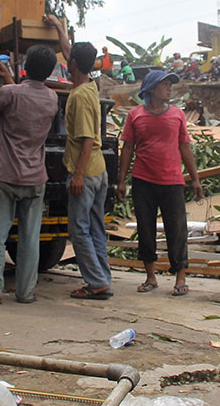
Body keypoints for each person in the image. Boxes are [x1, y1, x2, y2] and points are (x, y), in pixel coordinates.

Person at [0, 44, 59, 305]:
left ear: (25, 67)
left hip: (6, 176)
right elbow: (23, 93)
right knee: (30, 238)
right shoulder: (51, 99)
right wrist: (7, 77)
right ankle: (26, 292)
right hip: (36, 178)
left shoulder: (9, 93)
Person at [117, 70, 203, 296]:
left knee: (177, 230)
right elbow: (127, 148)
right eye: (165, 84)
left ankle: (180, 277)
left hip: (172, 181)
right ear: (151, 89)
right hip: (143, 181)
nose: (169, 88)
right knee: (146, 230)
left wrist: (195, 179)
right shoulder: (135, 115)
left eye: (170, 84)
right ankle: (151, 277)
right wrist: (121, 181)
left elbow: (185, 146)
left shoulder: (177, 115)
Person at [60, 36, 112, 300]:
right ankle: (103, 280)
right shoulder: (92, 87)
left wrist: (77, 173)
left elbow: (87, 138)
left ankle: (96, 281)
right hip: (99, 171)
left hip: (86, 171)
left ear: (73, 64)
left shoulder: (79, 96)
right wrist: (59, 28)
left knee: (78, 230)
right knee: (95, 228)